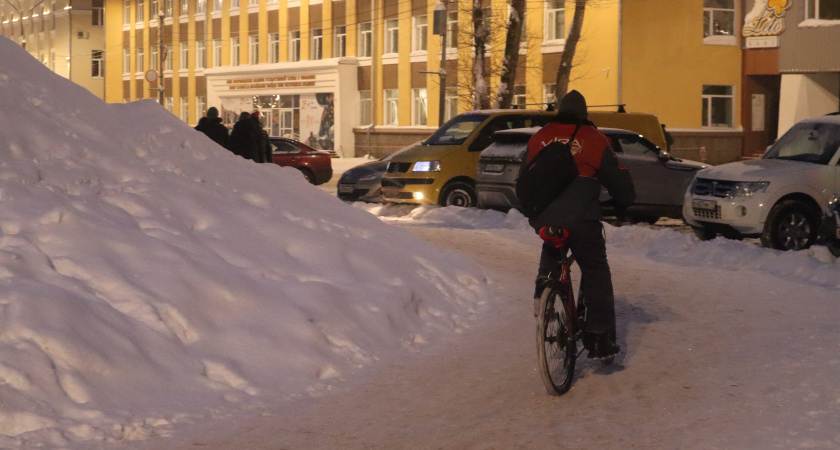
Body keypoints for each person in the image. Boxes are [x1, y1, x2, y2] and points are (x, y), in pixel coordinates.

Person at [525, 90, 636, 361]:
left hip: (544, 216)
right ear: (584, 114)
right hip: (582, 218)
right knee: (595, 268)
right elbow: (620, 183)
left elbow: (525, 176)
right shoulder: (593, 138)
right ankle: (600, 339)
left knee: (553, 241)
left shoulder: (540, 136)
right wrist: (623, 203)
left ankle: (544, 287)